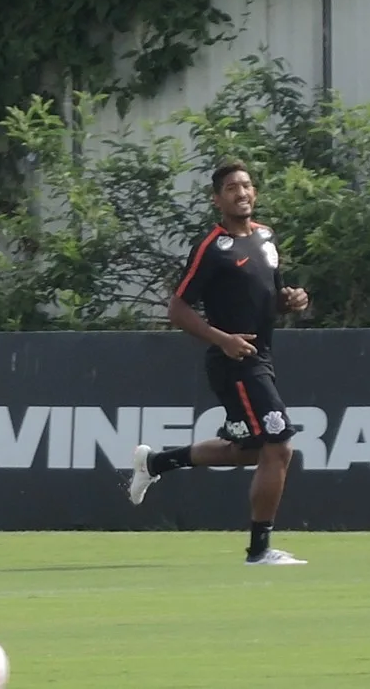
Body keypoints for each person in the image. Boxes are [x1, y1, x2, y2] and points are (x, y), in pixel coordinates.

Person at [127, 160, 311, 566]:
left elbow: (273, 297)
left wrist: (293, 300)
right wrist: (222, 339)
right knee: (279, 446)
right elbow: (177, 308)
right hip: (235, 362)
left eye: (246, 186)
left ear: (255, 193)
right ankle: (259, 550)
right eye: (231, 188)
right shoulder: (212, 246)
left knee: (249, 450)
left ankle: (156, 462)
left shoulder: (265, 237)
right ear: (217, 199)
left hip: (260, 356)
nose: (241, 193)